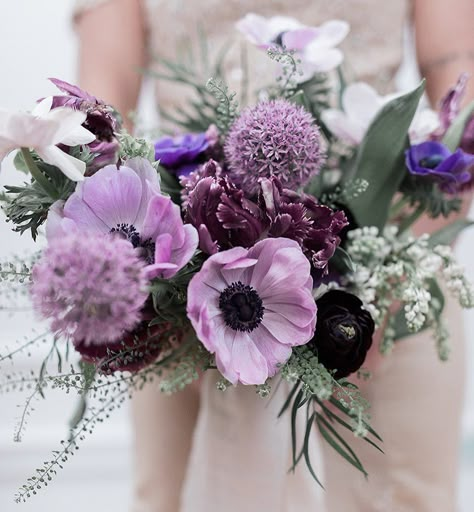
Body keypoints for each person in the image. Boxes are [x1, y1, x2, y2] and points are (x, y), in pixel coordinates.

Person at [74, 1, 474, 511]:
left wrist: (381, 277)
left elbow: (460, 99)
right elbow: (101, 110)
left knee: (399, 496)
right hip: (184, 285)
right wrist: (156, 266)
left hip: (385, 282)